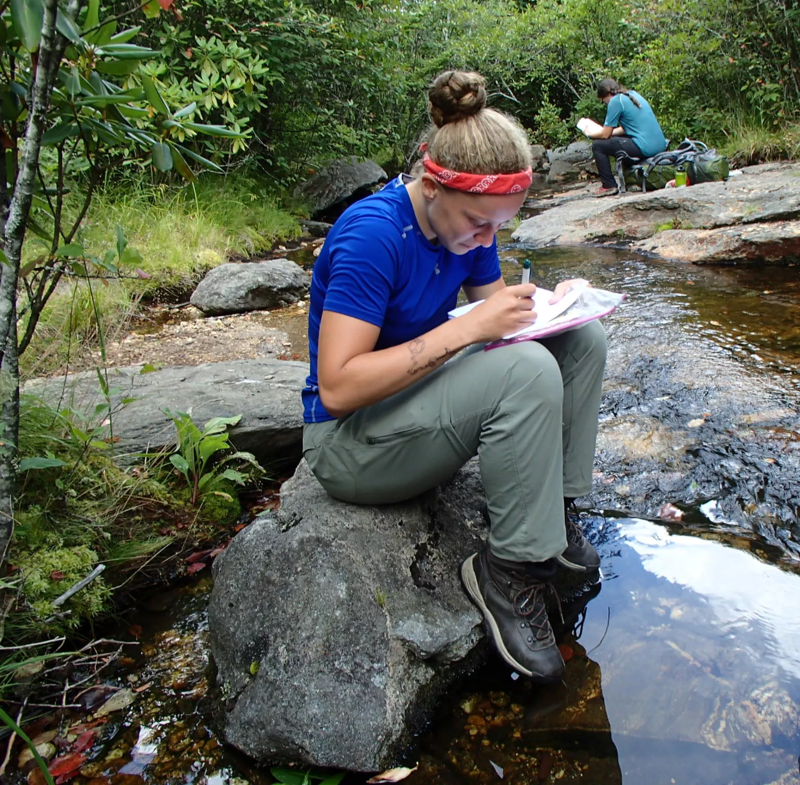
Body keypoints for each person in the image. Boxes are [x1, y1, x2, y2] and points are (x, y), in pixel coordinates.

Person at [301, 70, 607, 683]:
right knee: (521, 373)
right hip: (351, 445)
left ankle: (555, 511)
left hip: (414, 403)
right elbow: (337, 389)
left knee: (581, 341)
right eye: (478, 223)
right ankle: (511, 569)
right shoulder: (372, 235)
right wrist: (467, 331)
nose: (486, 240)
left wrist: (558, 303)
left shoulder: (468, 226)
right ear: (433, 186)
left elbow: (504, 321)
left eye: (500, 226)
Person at [583, 78, 667, 194]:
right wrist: (608, 133)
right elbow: (625, 129)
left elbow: (605, 135)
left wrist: (590, 134)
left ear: (607, 94)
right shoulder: (632, 95)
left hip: (646, 147)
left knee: (598, 145)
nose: (605, 103)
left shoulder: (616, 101)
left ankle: (609, 185)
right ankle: (632, 180)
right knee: (619, 142)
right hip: (660, 145)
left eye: (603, 100)